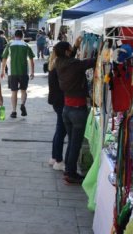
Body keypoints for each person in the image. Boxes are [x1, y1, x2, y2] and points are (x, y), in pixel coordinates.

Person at [54, 36, 95, 184]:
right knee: (75, 143)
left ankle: (68, 170)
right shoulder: (75, 64)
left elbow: (70, 58)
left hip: (67, 108)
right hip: (78, 109)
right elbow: (91, 62)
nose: (72, 51)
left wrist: (76, 47)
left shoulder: (59, 62)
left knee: (72, 141)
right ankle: (70, 173)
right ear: (66, 51)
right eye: (70, 49)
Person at [1, 29, 35, 118]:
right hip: (24, 72)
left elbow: (4, 58)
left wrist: (2, 70)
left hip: (12, 73)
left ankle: (14, 111)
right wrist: (32, 72)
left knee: (14, 92)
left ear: (14, 36)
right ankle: (23, 104)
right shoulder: (26, 45)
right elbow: (31, 60)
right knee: (23, 90)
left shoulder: (9, 45)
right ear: (22, 36)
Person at [47, 52, 66, 171]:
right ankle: (58, 160)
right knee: (61, 131)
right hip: (60, 102)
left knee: (59, 130)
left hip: (56, 102)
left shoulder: (53, 65)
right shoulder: (58, 68)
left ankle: (55, 157)